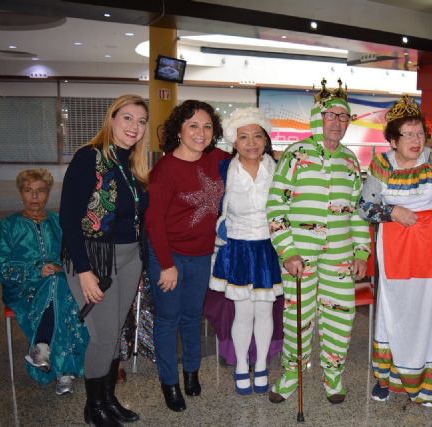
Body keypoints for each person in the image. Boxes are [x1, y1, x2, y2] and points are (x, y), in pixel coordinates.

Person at [266, 79, 370, 404]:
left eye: (343, 116)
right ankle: (290, 376)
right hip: (299, 254)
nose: (337, 121)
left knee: (341, 317)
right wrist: (287, 250)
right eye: (331, 115)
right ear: (318, 117)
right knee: (298, 318)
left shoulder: (352, 162)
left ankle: (333, 376)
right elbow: (276, 206)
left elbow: (357, 213)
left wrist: (362, 251)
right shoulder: (296, 155)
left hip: (339, 254)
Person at [60, 94, 149, 425]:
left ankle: (108, 400)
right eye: (127, 118)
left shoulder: (133, 165)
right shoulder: (89, 158)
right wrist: (84, 272)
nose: (134, 127)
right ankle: (93, 407)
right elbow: (68, 219)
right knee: (102, 334)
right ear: (111, 119)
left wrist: (140, 262)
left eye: (141, 122)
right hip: (93, 259)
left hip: (129, 259)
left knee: (115, 334)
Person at [358, 95, 432, 406]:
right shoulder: (382, 165)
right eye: (407, 134)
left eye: (419, 133)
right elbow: (364, 207)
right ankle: (387, 379)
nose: (415, 140)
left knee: (431, 311)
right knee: (393, 310)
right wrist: (392, 211)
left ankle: (428, 386)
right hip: (396, 246)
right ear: (393, 140)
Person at [145, 100, 229, 412]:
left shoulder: (216, 159)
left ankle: (191, 372)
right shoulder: (165, 169)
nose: (201, 132)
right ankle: (169, 383)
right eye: (193, 125)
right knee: (168, 319)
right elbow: (153, 221)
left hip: (201, 253)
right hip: (168, 254)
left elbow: (251, 157)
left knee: (193, 316)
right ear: (179, 130)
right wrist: (166, 265)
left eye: (207, 126)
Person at [208, 107, 283, 395]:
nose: (251, 142)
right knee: (243, 312)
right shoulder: (223, 169)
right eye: (243, 137)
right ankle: (242, 365)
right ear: (233, 142)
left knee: (265, 312)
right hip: (236, 247)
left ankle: (261, 364)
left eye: (257, 136)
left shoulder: (277, 168)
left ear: (266, 139)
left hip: (268, 247)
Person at [0, 169, 88, 396]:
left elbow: (73, 257)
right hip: (22, 287)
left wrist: (60, 268)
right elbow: (3, 266)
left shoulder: (59, 223)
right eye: (29, 191)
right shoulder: (7, 226)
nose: (35, 197)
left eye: (40, 191)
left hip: (58, 284)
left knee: (59, 287)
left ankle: (42, 347)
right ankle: (65, 371)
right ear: (21, 193)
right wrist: (36, 270)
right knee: (58, 289)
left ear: (48, 194)